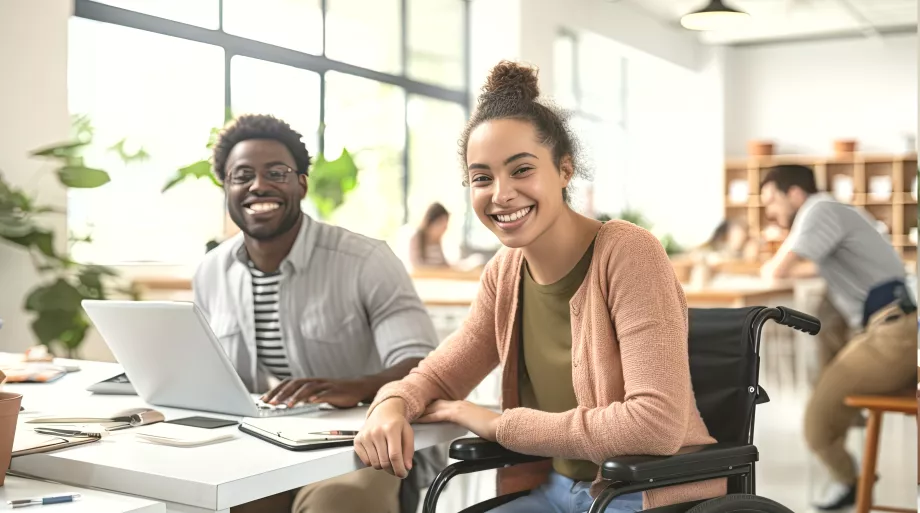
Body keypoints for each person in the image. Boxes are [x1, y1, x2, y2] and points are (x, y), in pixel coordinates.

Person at [354, 60, 725, 513]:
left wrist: (497, 425)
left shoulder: (629, 253)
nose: (501, 194)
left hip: (642, 493)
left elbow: (655, 425)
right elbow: (438, 375)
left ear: (564, 170)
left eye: (521, 170)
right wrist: (391, 404)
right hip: (557, 492)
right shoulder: (505, 272)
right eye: (482, 178)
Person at [192, 114, 440, 513]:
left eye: (276, 172)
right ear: (227, 188)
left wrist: (360, 386)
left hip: (364, 440)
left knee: (338, 503)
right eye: (242, 175)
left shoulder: (365, 260)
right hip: (260, 442)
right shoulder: (211, 271)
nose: (258, 185)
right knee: (204, 498)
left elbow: (425, 366)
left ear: (301, 184)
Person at [759, 164, 917, 512]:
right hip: (901, 328)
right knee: (827, 335)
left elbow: (776, 269)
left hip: (893, 336)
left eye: (772, 200)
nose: (769, 211)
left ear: (795, 194)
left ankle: (850, 480)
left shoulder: (817, 209)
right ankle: (848, 461)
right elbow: (818, 266)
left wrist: (772, 260)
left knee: (815, 424)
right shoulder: (835, 210)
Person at [408, 202, 450, 268]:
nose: (443, 230)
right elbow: (416, 266)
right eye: (441, 224)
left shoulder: (437, 241)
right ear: (431, 222)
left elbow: (444, 265)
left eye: (445, 226)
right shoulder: (416, 239)